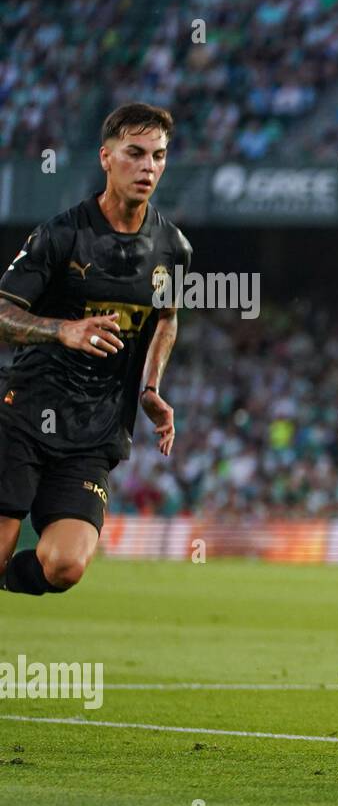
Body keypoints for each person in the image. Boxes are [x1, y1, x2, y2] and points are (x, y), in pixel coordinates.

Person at [0, 103, 188, 596]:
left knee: (65, 566)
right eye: (136, 153)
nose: (148, 166)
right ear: (106, 157)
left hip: (94, 431)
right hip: (25, 416)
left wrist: (150, 386)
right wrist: (61, 330)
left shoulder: (173, 248)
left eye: (159, 156)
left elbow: (166, 319)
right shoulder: (61, 234)